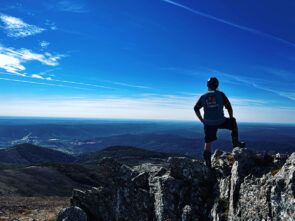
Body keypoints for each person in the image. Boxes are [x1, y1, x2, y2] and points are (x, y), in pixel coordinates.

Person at [194, 77, 245, 169]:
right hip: (221, 121)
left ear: (207, 85)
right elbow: (229, 107)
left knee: (208, 142)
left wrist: (201, 119)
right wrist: (231, 117)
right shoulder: (221, 94)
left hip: (208, 123)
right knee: (233, 123)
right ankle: (235, 143)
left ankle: (208, 163)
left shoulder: (203, 96)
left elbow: (196, 108)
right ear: (217, 85)